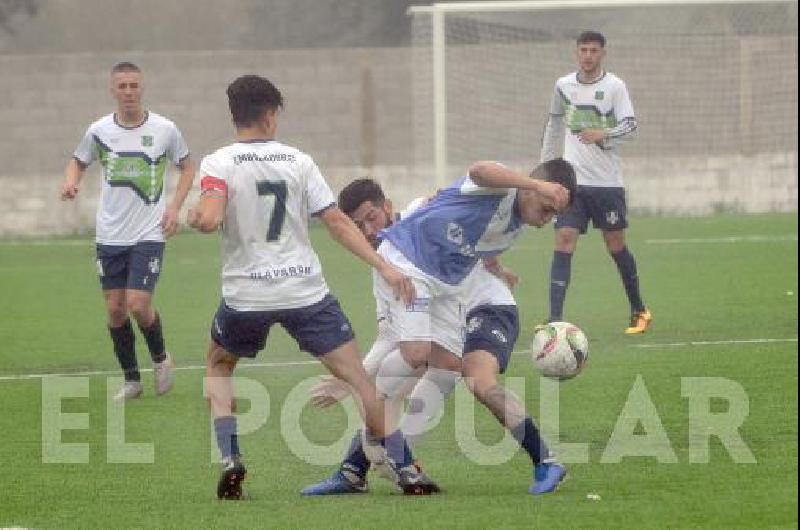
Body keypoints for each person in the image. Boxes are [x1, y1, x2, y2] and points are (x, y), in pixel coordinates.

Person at [187, 74, 432, 500]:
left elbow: (208, 218)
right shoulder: (298, 161)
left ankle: (230, 457)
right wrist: (384, 267)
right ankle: (405, 466)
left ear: (235, 115)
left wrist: (196, 217)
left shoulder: (217, 163)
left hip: (247, 297)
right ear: (269, 114)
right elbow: (336, 222)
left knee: (220, 365)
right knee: (358, 379)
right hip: (305, 292)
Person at [308, 160, 576, 496]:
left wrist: (496, 266)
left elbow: (476, 232)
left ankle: (372, 458)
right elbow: (479, 170)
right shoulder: (495, 192)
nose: (367, 232)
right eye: (546, 208)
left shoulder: (509, 222)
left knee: (447, 367)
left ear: (386, 208)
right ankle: (373, 454)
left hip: (465, 295)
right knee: (425, 358)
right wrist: (350, 378)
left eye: (371, 219)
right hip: (425, 278)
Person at [60, 62, 194, 401]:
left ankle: (161, 358)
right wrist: (72, 182)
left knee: (137, 302)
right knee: (116, 309)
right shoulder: (100, 131)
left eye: (134, 85)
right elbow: (78, 160)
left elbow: (188, 166)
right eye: (123, 86)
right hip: (109, 235)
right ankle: (132, 380)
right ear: (113, 90)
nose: (129, 92)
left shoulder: (165, 129)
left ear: (142, 88)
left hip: (148, 232)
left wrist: (174, 207)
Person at [540, 31, 652, 334]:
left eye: (593, 51)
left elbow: (631, 125)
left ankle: (639, 310)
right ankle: (554, 319)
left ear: (602, 54)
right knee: (564, 239)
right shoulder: (563, 86)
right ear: (576, 52)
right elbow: (554, 124)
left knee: (615, 245)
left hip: (607, 184)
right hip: (572, 183)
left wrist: (604, 134)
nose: (588, 55)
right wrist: (544, 168)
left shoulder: (615, 86)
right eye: (583, 50)